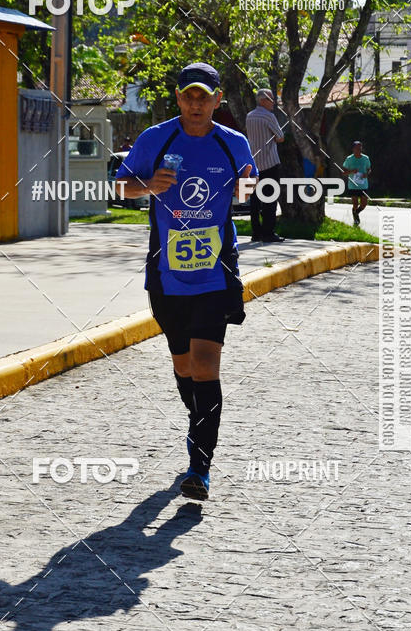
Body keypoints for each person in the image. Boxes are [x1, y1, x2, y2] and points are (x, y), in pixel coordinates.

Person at [116, 62, 258, 501]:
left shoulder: (232, 142)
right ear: (178, 99)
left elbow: (249, 192)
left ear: (218, 100)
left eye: (205, 96)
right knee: (183, 367)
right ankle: (197, 425)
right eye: (188, 96)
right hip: (166, 274)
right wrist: (146, 187)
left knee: (205, 365)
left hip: (216, 273)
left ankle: (200, 465)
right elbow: (118, 189)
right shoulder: (155, 139)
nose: (196, 103)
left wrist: (248, 190)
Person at [245, 89, 285, 243]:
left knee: (255, 200)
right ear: (262, 100)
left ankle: (256, 233)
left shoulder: (249, 116)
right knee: (270, 198)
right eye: (271, 99)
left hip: (254, 163)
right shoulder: (269, 116)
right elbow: (280, 137)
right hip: (270, 162)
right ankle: (268, 232)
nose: (273, 102)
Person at [343, 140, 371, 226]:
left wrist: (367, 174)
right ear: (353, 149)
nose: (359, 149)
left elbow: (369, 169)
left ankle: (356, 213)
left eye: (360, 148)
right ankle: (356, 218)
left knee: (364, 203)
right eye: (357, 148)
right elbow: (344, 172)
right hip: (353, 185)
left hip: (363, 184)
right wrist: (351, 171)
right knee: (355, 203)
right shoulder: (349, 159)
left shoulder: (366, 158)